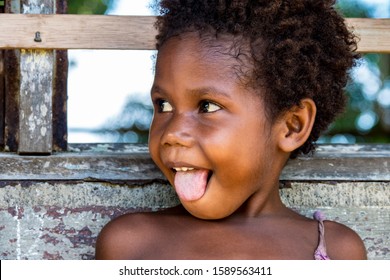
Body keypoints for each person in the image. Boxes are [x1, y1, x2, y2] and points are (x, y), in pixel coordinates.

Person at [95, 0, 367, 260]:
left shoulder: (338, 251)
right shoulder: (129, 244)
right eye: (163, 105)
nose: (172, 134)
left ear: (291, 126)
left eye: (208, 107)